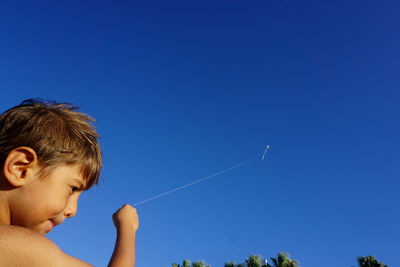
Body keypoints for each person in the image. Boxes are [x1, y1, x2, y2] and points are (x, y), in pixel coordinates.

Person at [0, 99, 139, 267]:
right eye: (73, 189)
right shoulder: (17, 246)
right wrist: (127, 227)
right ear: (20, 168)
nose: (73, 211)